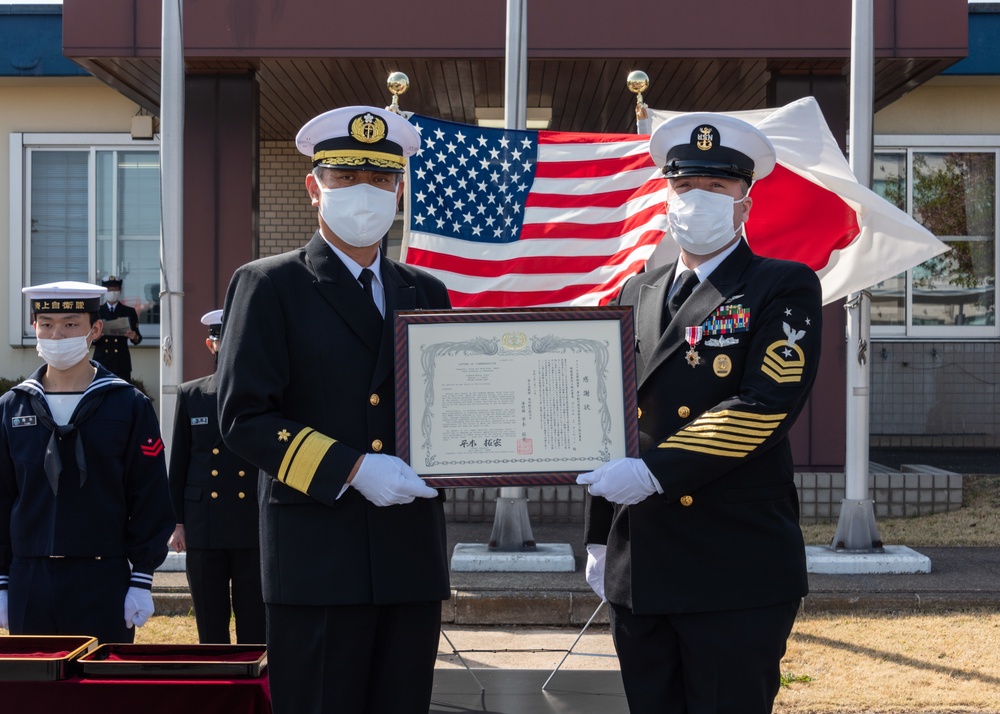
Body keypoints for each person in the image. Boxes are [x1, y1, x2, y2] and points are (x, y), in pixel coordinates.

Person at [578, 114, 823, 714]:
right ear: (667, 198)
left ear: (745, 204)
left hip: (734, 564)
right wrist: (595, 536)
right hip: (643, 560)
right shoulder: (636, 291)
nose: (698, 202)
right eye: (686, 188)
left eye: (717, 190)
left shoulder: (781, 286)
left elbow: (763, 406)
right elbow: (610, 412)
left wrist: (654, 472)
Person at [216, 106, 451, 714]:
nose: (365, 194)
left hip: (408, 555)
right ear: (314, 187)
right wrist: (352, 468)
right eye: (346, 179)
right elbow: (244, 417)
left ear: (400, 190)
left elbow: (449, 405)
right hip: (317, 557)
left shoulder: (425, 291)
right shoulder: (269, 284)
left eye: (380, 180)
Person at [0, 281, 174, 643]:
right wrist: (3, 581)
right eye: (45, 324)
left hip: (102, 576)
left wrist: (141, 577)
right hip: (29, 576)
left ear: (94, 329)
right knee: (34, 694)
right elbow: (3, 497)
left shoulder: (128, 405)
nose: (56, 334)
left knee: (100, 695)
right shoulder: (12, 408)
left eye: (70, 324)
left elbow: (150, 494)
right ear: (34, 327)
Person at [167, 309, 266, 644]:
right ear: (211, 345)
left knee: (254, 621)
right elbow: (178, 465)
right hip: (203, 524)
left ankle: (255, 690)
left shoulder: (264, 397)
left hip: (250, 521)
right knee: (211, 622)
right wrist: (177, 523)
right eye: (222, 340)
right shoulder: (191, 394)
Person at [92, 275, 143, 382]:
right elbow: (89, 337)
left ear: (120, 290)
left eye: (115, 289)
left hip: (120, 361)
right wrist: (95, 338)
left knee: (122, 395)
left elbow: (138, 338)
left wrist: (134, 337)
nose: (112, 292)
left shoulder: (128, 311)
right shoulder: (97, 311)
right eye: (109, 290)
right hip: (102, 360)